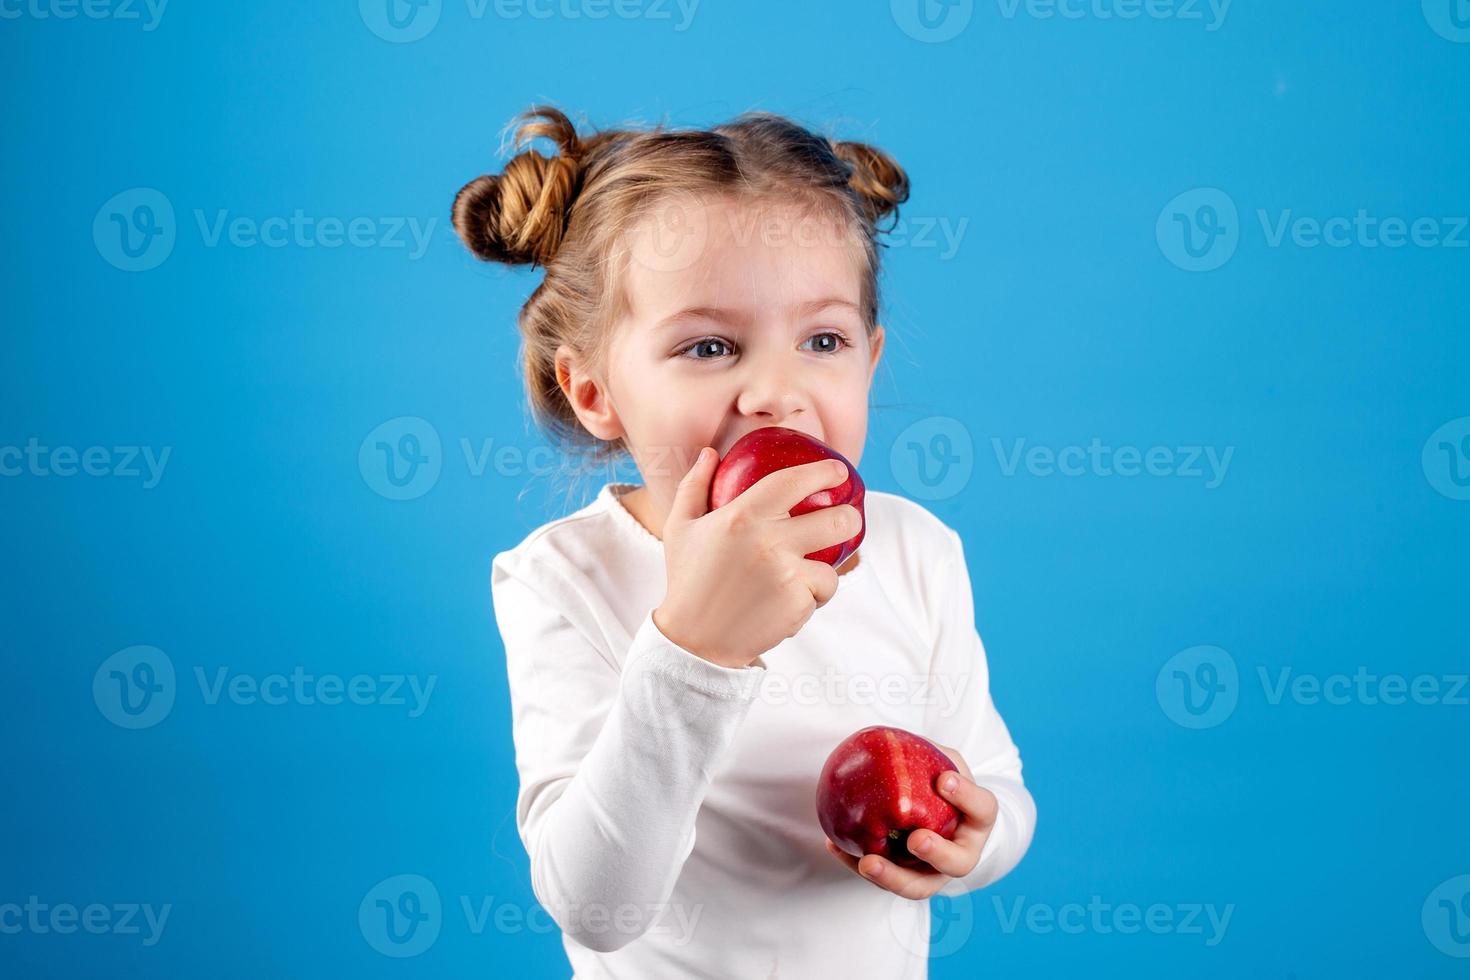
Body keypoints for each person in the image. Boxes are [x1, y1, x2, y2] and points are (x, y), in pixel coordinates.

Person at [456, 104, 1036, 978]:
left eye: (823, 340)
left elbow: (995, 782)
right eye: (711, 346)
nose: (776, 392)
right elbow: (592, 903)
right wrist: (697, 647)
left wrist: (976, 836)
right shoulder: (563, 577)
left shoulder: (917, 551)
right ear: (594, 392)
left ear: (870, 362)